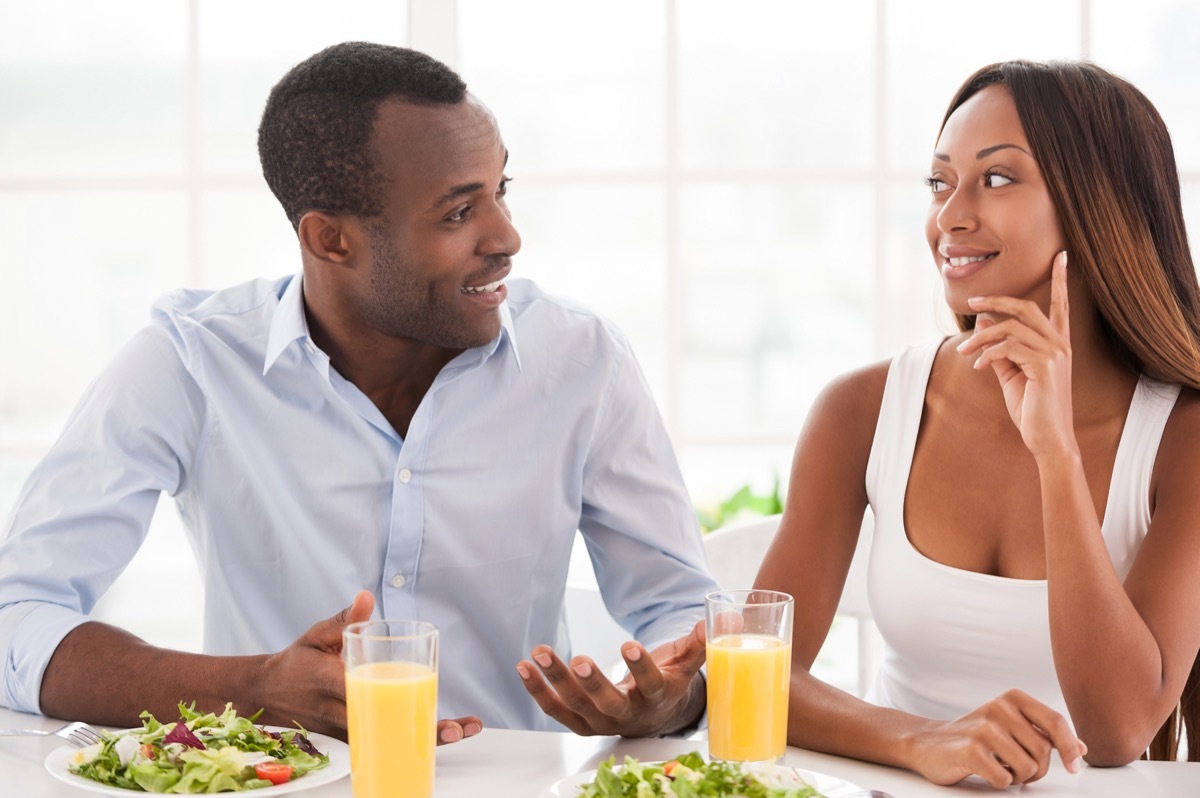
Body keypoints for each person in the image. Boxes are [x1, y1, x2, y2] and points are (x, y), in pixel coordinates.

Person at [0, 42, 713, 742]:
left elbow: (684, 613)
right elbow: (18, 615)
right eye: (459, 213)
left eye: (501, 190)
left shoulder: (581, 359)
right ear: (331, 239)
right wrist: (248, 692)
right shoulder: (192, 364)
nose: (507, 236)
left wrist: (671, 700)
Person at [754, 59, 1200, 787]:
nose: (949, 217)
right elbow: (754, 673)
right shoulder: (863, 411)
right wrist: (921, 740)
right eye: (939, 182)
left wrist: (1054, 455)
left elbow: (1118, 729)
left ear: (1099, 204)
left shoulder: (1183, 437)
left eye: (995, 179)